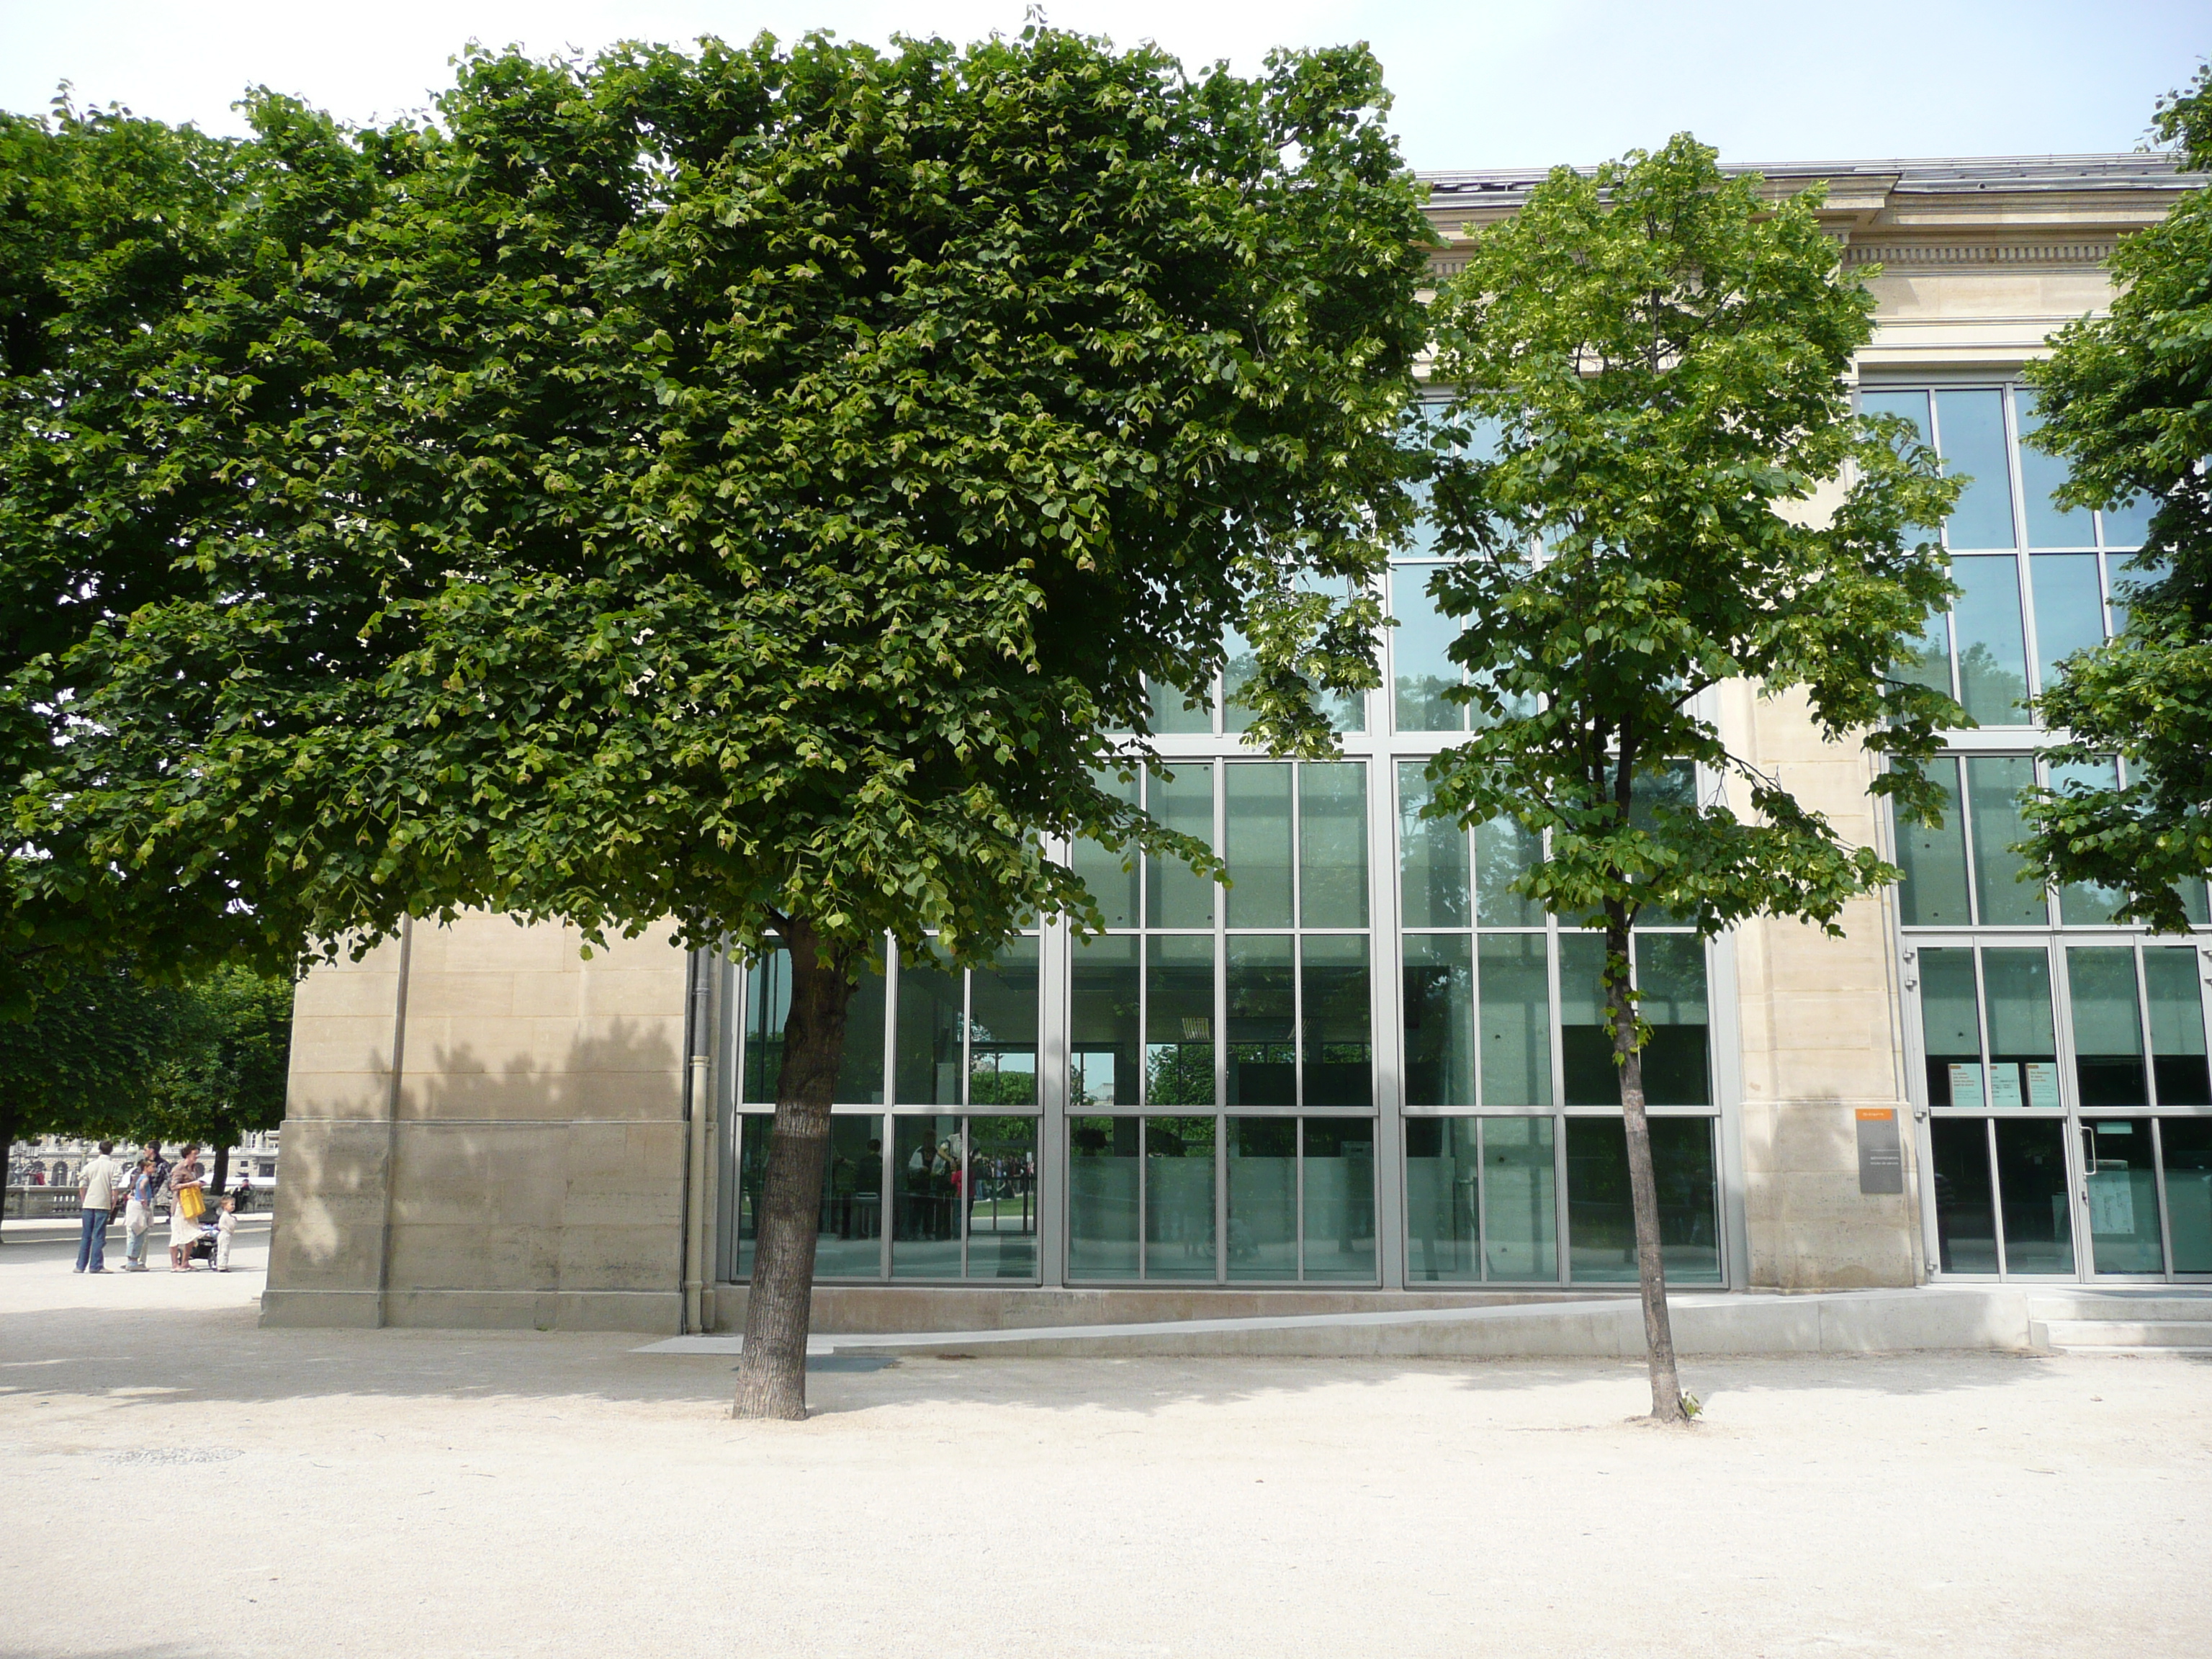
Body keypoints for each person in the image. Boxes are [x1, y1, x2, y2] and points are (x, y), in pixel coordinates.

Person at [73, 1143, 121, 1274]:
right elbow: (115, 1187)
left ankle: (80, 1266)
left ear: (99, 1150)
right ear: (111, 1151)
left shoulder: (89, 1166)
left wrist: (84, 1200)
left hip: (89, 1203)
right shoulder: (114, 1167)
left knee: (86, 1236)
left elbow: (82, 1185)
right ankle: (96, 1265)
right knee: (99, 1235)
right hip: (103, 1204)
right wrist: (113, 1202)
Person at [164, 1144, 207, 1272]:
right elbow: (173, 1186)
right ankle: (174, 1264)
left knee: (191, 1233)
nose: (197, 1156)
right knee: (177, 1234)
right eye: (195, 1154)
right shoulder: (179, 1168)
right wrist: (191, 1184)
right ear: (187, 1154)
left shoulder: (194, 1168)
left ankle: (185, 1262)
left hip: (191, 1204)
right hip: (180, 1205)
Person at [121, 1148, 164, 1272]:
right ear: (146, 1168)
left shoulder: (138, 1176)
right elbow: (141, 1187)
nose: (155, 1170)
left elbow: (134, 1189)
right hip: (140, 1208)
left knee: (134, 1233)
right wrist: (144, 1199)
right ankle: (133, 1261)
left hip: (135, 1206)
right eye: (153, 1167)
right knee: (139, 1234)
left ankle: (131, 1260)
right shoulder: (145, 1178)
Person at [213, 1196, 239, 1272]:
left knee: (222, 1249)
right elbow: (232, 1225)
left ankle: (220, 1264)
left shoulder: (226, 1215)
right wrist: (234, 1220)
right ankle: (222, 1266)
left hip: (224, 1234)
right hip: (225, 1234)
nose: (233, 1206)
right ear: (225, 1206)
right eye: (231, 1204)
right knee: (224, 1250)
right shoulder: (226, 1216)